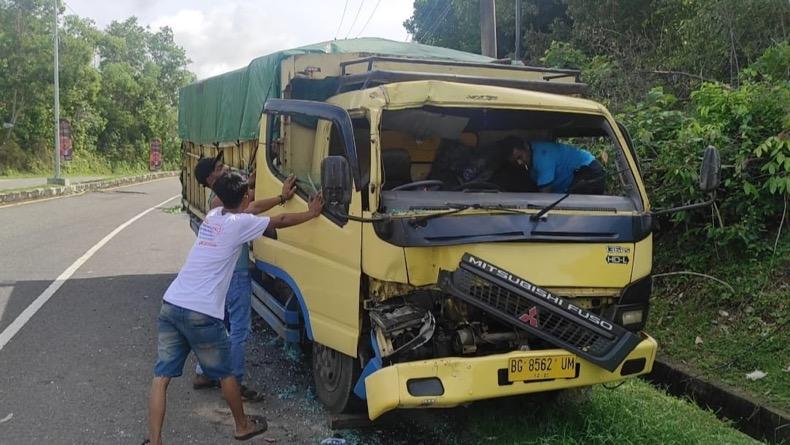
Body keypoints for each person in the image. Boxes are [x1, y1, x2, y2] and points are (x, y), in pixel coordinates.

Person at [146, 171, 324, 444]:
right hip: (201, 312)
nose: (251, 197)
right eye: (248, 193)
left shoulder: (213, 215)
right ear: (243, 197)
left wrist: (280, 197)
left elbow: (251, 209)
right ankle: (242, 426)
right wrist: (312, 213)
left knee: (161, 377)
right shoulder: (240, 224)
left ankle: (155, 441)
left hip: (172, 303)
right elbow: (281, 220)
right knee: (227, 373)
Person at [193, 154, 296, 401]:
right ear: (210, 178)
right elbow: (259, 211)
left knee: (220, 324)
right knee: (239, 330)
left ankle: (204, 372)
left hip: (221, 276)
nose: (225, 167)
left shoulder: (216, 202)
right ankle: (235, 383)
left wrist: (252, 186)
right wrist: (284, 199)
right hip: (234, 274)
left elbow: (251, 206)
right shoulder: (220, 202)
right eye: (220, 168)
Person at [499, 136, 605, 194]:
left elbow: (545, 197)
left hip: (588, 171)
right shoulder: (529, 156)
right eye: (515, 161)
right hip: (569, 181)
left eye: (520, 157)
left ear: (526, 147)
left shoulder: (542, 157)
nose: (520, 163)